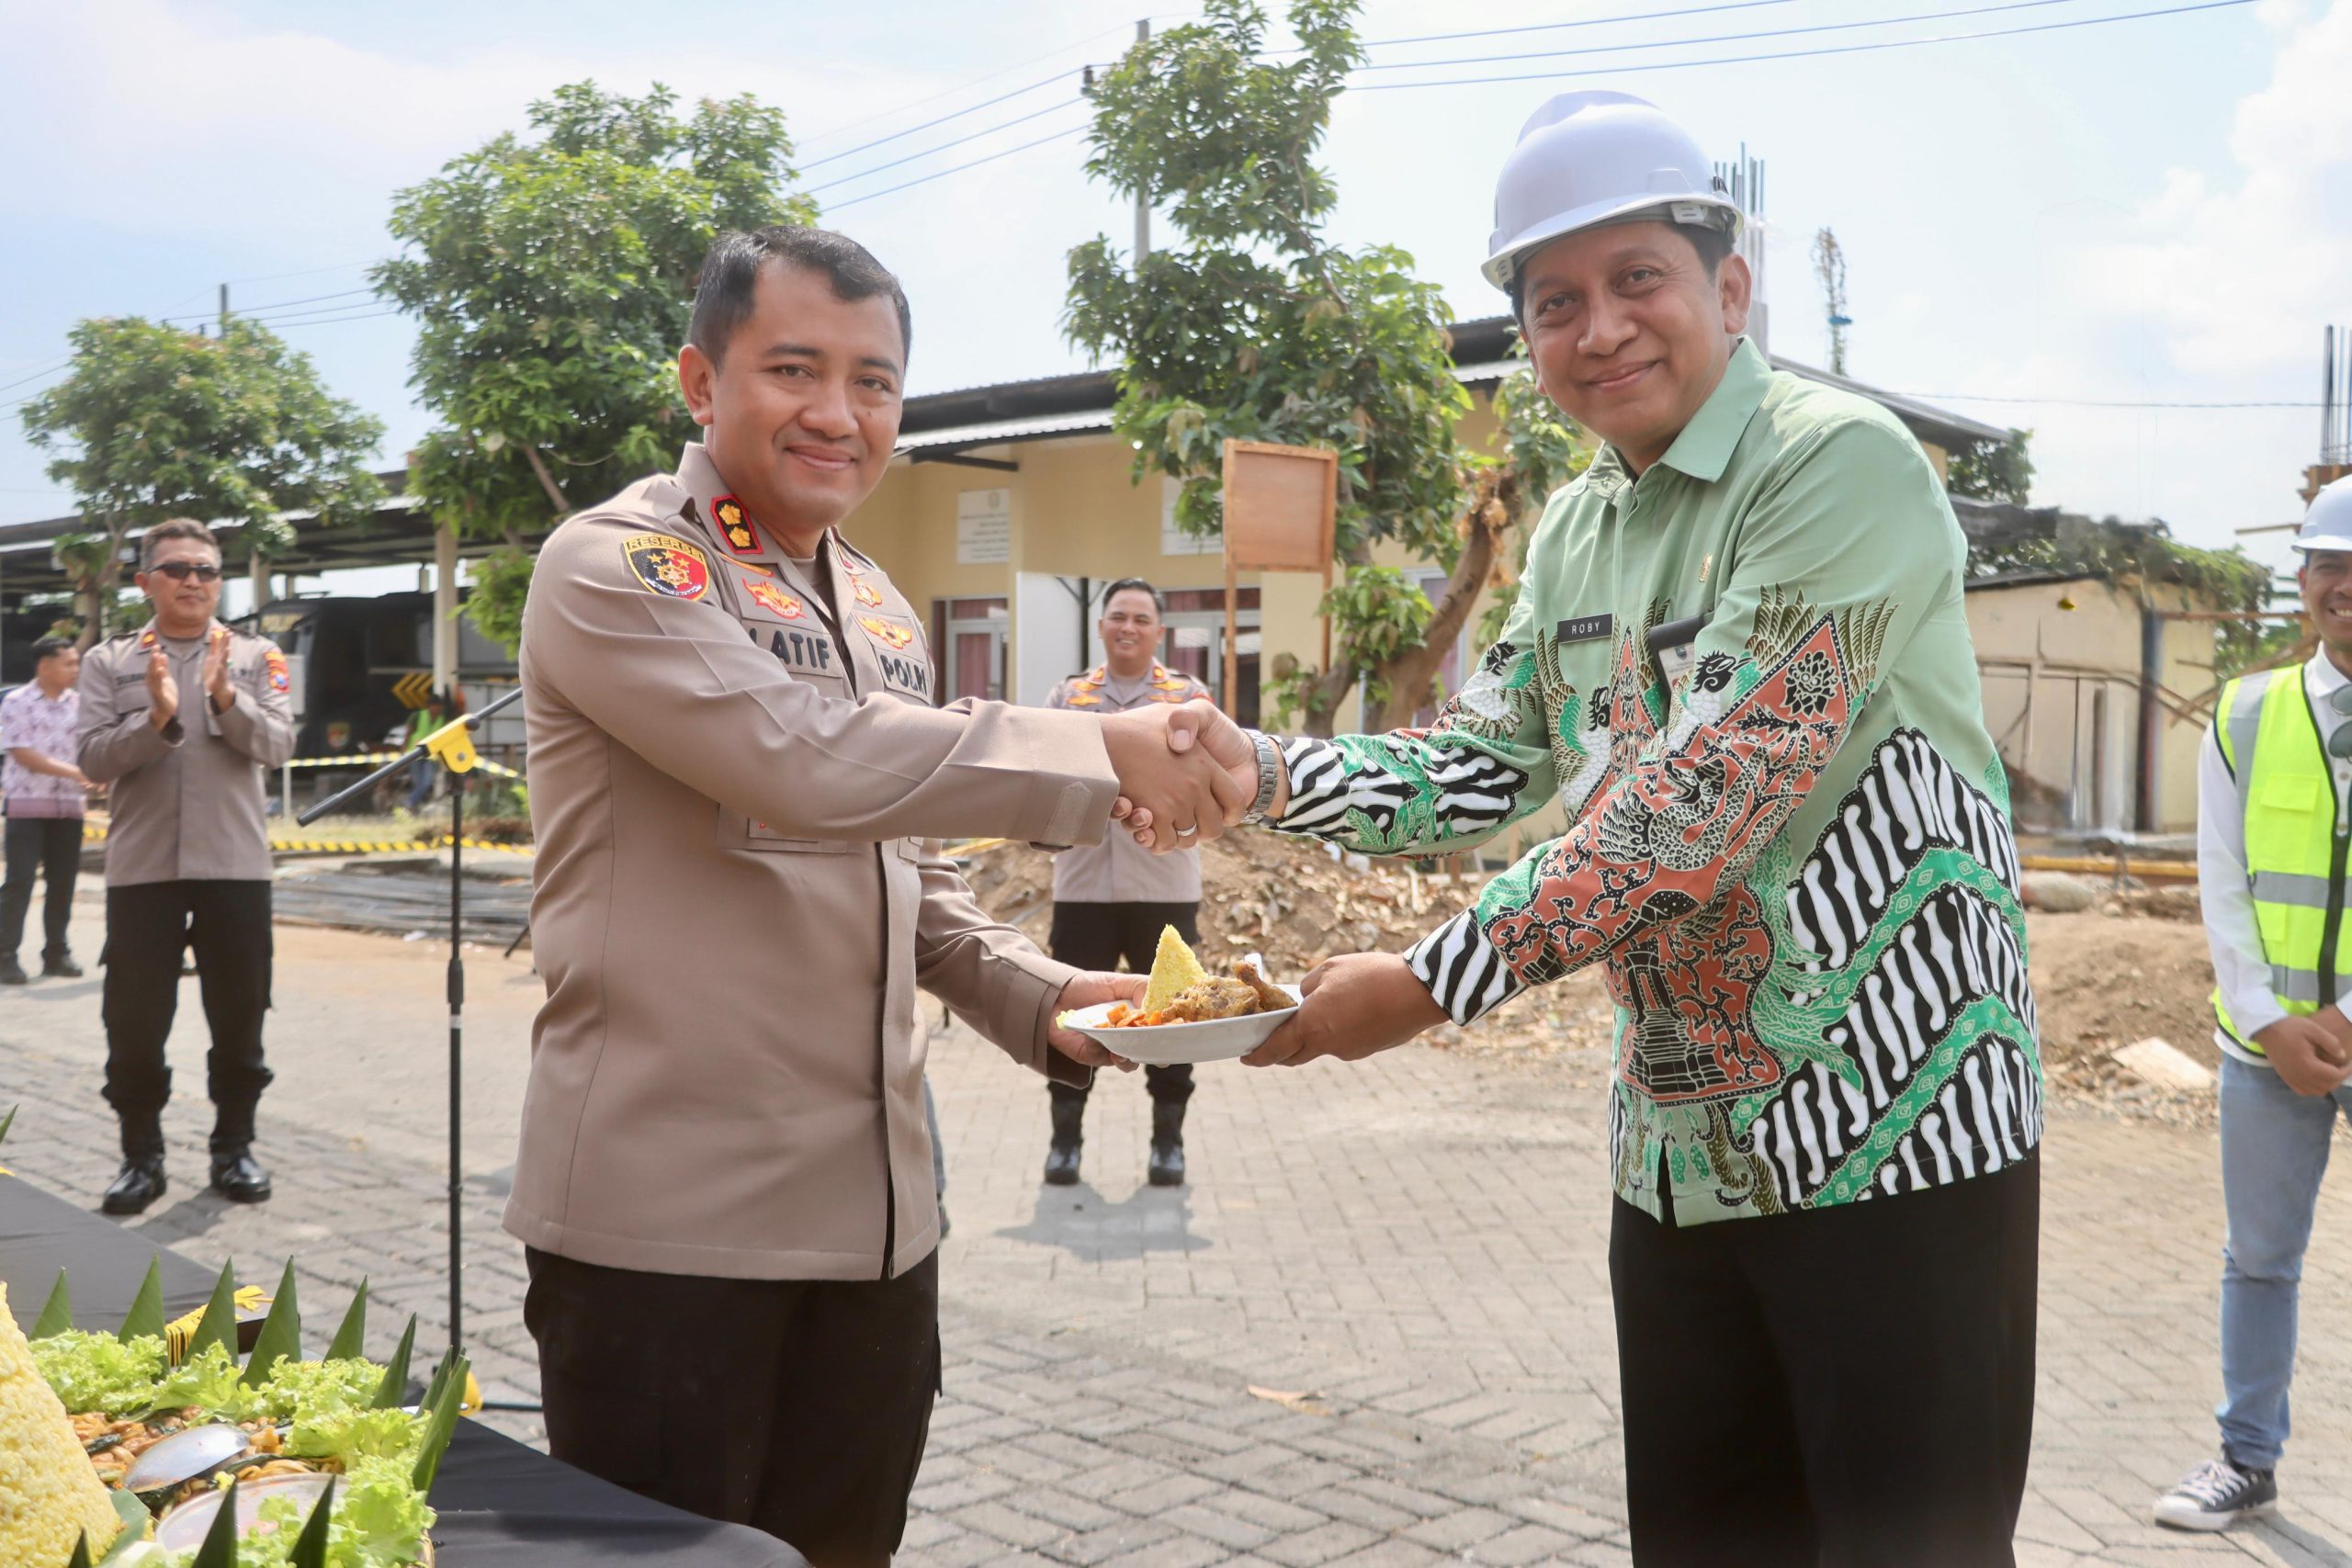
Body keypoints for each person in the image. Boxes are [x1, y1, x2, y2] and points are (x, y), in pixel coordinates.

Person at [1130, 92, 2043, 1565]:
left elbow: (1707, 794)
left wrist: (1428, 982)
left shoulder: (1839, 465)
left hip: (1896, 1145)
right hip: (1676, 1160)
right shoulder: (1575, 530)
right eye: (1555, 302)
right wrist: (1262, 769)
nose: (1600, 329)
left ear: (1728, 288)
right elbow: (1486, 758)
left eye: (1637, 280)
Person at [503, 225, 1251, 1567]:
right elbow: (802, 759)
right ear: (700, 381)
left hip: (879, 1235)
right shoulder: (620, 565)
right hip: (673, 1234)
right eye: (795, 369)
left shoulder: (880, 605)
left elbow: (908, 865)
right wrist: (1099, 751)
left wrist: (1045, 993)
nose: (838, 415)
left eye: (875, 382)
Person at [2153, 476, 2352, 1531]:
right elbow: (2219, 880)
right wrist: (2271, 1020)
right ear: (2303, 580)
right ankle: (2245, 1459)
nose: (2345, 584)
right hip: (2262, 1043)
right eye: (2330, 564)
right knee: (2260, 1260)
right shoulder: (2243, 712)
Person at [76, 520, 295, 1215]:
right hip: (144, 870)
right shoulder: (111, 661)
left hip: (236, 866)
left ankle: (235, 1147)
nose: (193, 580)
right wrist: (157, 718)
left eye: (206, 569)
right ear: (145, 581)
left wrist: (226, 697)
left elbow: (280, 744)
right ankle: (141, 1157)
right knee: (135, 1023)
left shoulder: (256, 655)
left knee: (240, 1015)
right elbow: (91, 757)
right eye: (176, 568)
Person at [1038, 579, 1214, 1188]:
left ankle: (1168, 1142)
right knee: (1072, 1015)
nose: (1129, 627)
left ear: (1159, 631)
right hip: (1082, 886)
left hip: (1165, 885)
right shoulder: (1068, 697)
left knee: (1174, 1015)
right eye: (1118, 616)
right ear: (1101, 627)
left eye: (1141, 618)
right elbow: (1044, 777)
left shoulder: (1186, 698)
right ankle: (1065, 1141)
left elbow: (1202, 780)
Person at [2, 635, 95, 985]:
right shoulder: (17, 702)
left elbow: (90, 749)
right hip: (26, 808)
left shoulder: (81, 705)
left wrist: (99, 773)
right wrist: (77, 773)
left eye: (76, 662)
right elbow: (22, 753)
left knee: (63, 883)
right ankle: (5, 957)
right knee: (20, 881)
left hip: (69, 807)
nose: (75, 669)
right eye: (68, 663)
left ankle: (57, 954)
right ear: (44, 666)